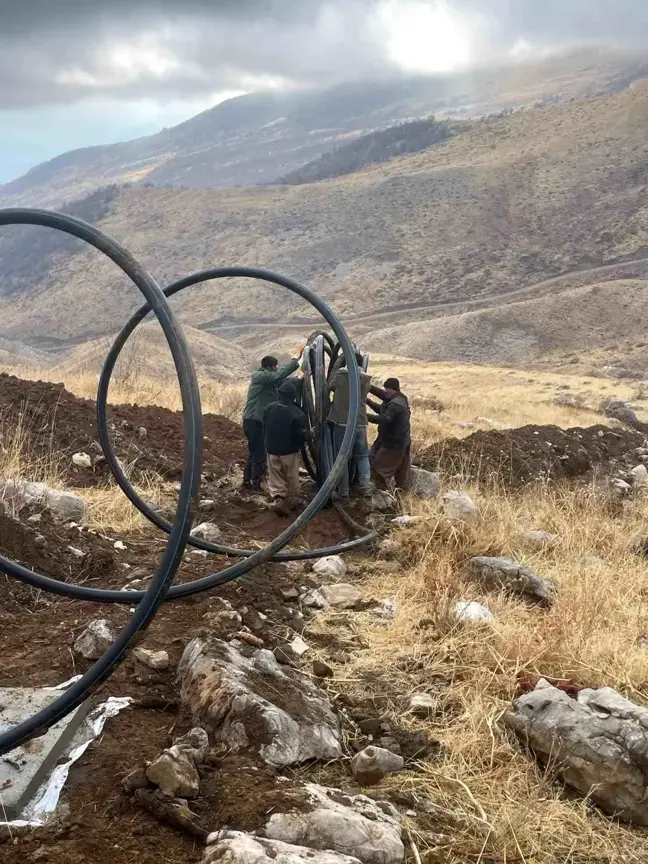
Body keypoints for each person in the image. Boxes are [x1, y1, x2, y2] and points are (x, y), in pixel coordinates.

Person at [242, 350, 302, 490]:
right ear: (269, 368)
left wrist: (300, 377)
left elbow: (283, 380)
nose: (277, 369)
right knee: (260, 454)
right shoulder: (259, 376)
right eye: (275, 367)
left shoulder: (268, 380)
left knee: (255, 452)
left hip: (255, 421)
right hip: (254, 421)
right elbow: (278, 376)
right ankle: (257, 484)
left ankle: (248, 482)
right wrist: (295, 360)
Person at [328, 353, 373, 502]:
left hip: (343, 423)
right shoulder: (365, 380)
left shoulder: (341, 376)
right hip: (360, 423)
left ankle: (343, 492)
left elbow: (329, 386)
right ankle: (365, 486)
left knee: (342, 458)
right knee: (362, 456)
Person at [263, 379, 310, 515]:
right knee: (291, 477)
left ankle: (279, 500)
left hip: (272, 450)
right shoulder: (297, 413)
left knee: (276, 477)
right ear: (294, 396)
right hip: (289, 452)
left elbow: (264, 426)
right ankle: (292, 502)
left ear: (280, 393)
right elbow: (301, 435)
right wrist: (310, 435)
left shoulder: (269, 407)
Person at [367, 377, 411, 492]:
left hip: (394, 444)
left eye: (387, 389)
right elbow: (381, 404)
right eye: (384, 389)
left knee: (379, 470)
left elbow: (385, 418)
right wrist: (367, 397)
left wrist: (362, 415)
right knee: (371, 458)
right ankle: (396, 494)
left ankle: (382, 495)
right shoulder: (394, 398)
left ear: (394, 390)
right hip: (388, 439)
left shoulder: (397, 404)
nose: (385, 391)